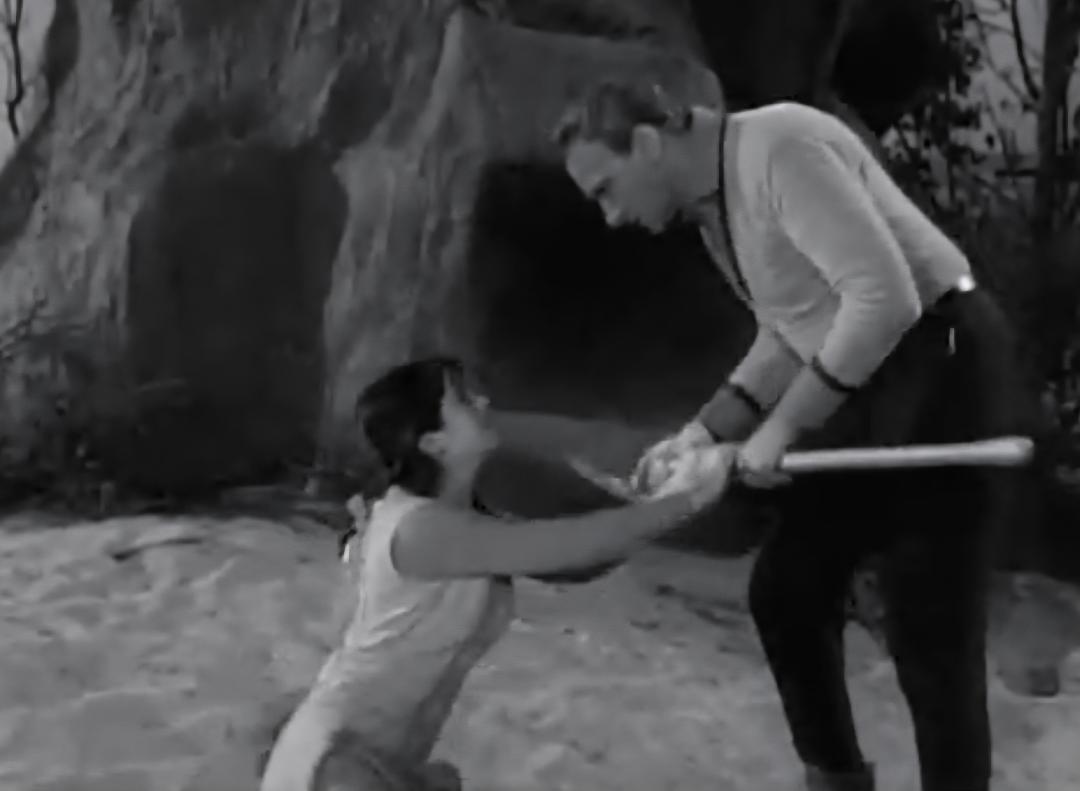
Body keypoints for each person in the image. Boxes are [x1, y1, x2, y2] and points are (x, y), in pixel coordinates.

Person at [552, 81, 1033, 791]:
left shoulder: (779, 148)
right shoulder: (715, 206)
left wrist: (784, 425)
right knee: (789, 589)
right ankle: (836, 778)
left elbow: (885, 298)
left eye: (606, 189)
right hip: (868, 371)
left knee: (930, 627)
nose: (612, 216)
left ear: (648, 144)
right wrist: (704, 432)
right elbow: (790, 329)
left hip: (945, 355)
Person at [258, 356, 737, 791]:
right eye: (464, 400)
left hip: (382, 758)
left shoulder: (459, 519)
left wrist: (656, 503)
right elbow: (571, 545)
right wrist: (690, 497)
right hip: (338, 764)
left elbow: (580, 562)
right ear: (434, 443)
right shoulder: (423, 530)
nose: (484, 402)